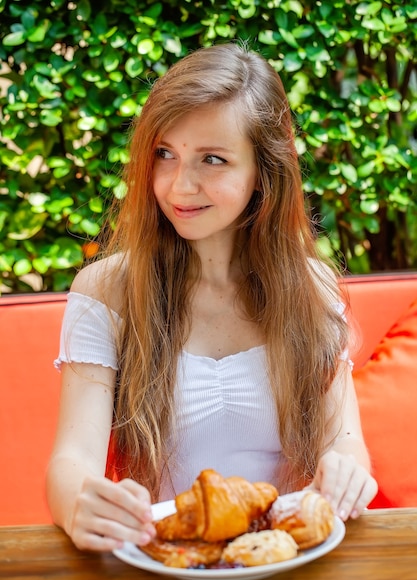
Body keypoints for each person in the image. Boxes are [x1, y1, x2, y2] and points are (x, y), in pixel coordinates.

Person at [46, 42, 378, 552]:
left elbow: (345, 443)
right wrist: (80, 504)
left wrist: (348, 473)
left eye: (213, 159)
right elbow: (72, 461)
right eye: (165, 154)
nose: (179, 185)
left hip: (285, 564)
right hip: (169, 564)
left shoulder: (312, 288)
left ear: (264, 173)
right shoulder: (107, 291)